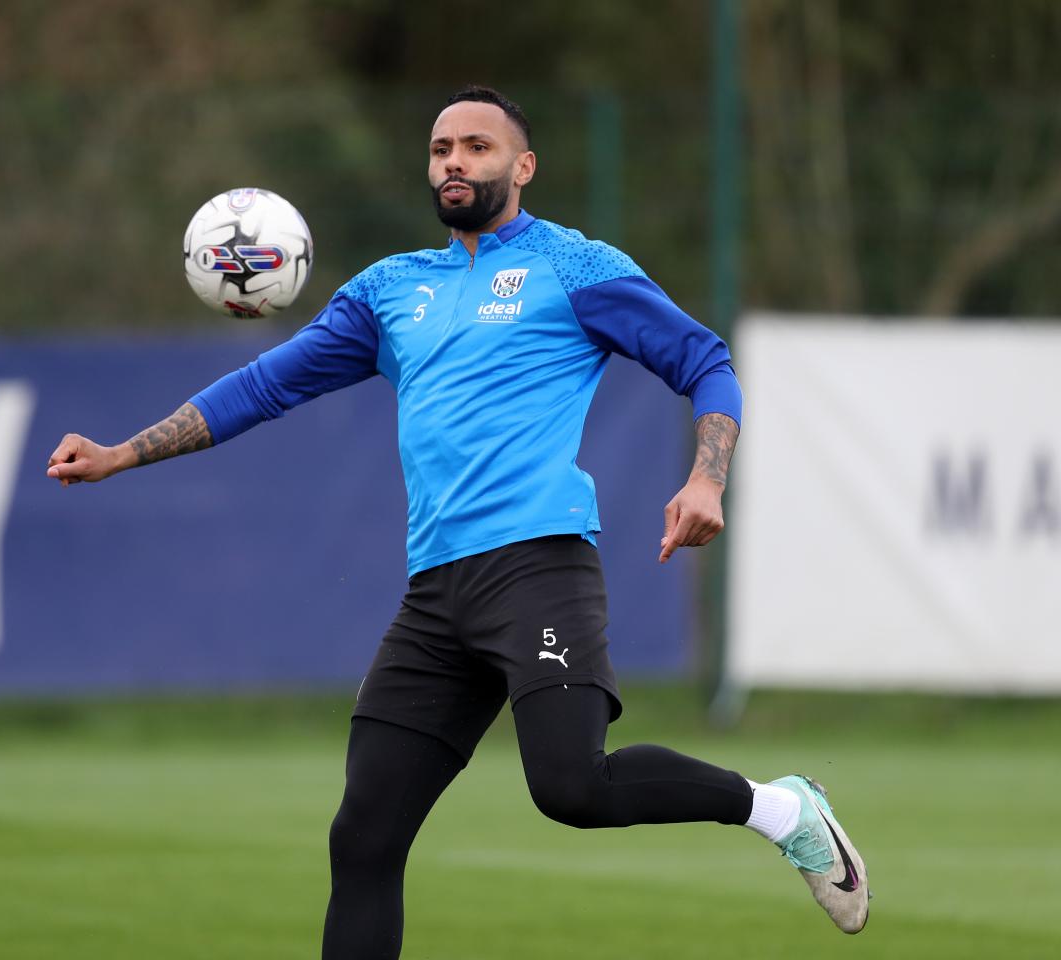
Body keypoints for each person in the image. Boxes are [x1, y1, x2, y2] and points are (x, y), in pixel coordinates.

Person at [47, 85, 870, 956]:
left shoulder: (573, 266)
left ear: (523, 167)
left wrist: (707, 479)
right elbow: (264, 385)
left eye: (477, 147)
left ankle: (783, 809)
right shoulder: (391, 291)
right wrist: (120, 453)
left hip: (537, 569)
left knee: (572, 791)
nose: (454, 162)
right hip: (438, 596)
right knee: (362, 838)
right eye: (441, 148)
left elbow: (705, 359)